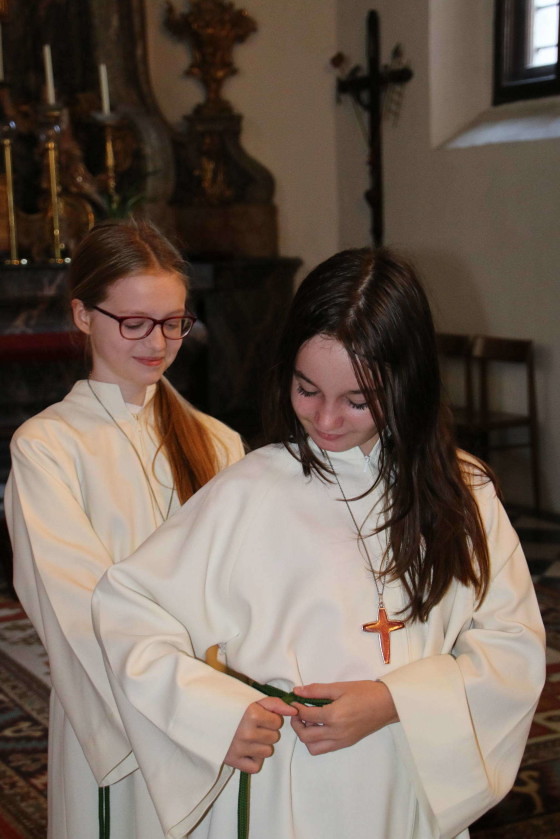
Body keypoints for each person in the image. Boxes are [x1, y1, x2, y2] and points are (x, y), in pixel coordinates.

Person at [92, 247, 545, 839]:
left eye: (357, 400)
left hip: (410, 774)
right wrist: (215, 714)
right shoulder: (252, 489)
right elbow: (127, 609)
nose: (326, 420)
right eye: (307, 390)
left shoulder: (465, 494)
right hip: (285, 784)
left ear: (408, 384)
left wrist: (395, 701)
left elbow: (513, 646)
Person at [4, 219, 245, 839]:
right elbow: (76, 609)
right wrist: (190, 708)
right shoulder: (48, 448)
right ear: (83, 315)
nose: (157, 342)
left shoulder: (219, 442)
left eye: (173, 322)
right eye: (134, 322)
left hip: (222, 713)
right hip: (123, 714)